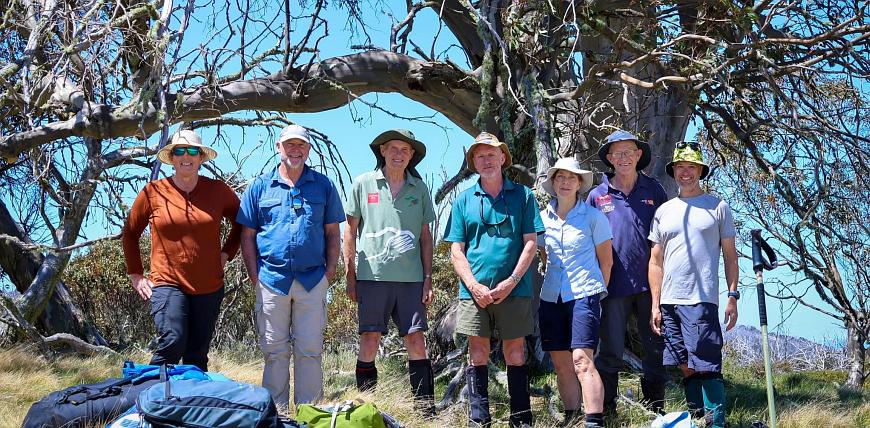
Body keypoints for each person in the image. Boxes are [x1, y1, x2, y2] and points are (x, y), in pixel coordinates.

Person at [236, 124, 344, 408]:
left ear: (308, 150)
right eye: (290, 145)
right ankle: (276, 415)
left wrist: (329, 273)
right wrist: (254, 274)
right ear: (278, 147)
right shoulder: (259, 186)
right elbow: (246, 235)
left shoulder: (323, 185)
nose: (295, 150)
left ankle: (310, 414)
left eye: (301, 145)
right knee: (274, 351)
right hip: (271, 280)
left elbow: (333, 232)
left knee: (310, 350)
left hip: (312, 280)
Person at [443, 132, 544, 428]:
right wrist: (473, 286)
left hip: (515, 290)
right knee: (478, 353)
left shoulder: (523, 196)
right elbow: (456, 249)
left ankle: (521, 419)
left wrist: (511, 281)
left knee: (515, 352)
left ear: (503, 158)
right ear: (474, 162)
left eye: (492, 154)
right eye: (480, 156)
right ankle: (479, 419)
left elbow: (531, 242)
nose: (486, 160)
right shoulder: (463, 200)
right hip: (474, 292)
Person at [122, 129, 241, 372]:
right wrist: (135, 274)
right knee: (173, 341)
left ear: (200, 158)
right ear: (172, 157)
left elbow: (242, 223)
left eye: (192, 151)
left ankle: (191, 406)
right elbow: (130, 233)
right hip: (167, 283)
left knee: (197, 355)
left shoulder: (218, 191)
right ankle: (147, 397)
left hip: (209, 286)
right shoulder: (152, 192)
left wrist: (227, 253)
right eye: (180, 151)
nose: (186, 156)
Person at [344, 129, 437, 415]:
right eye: (394, 149)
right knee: (370, 339)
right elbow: (350, 231)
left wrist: (428, 279)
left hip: (411, 280)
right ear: (382, 151)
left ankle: (425, 410)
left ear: (412, 156)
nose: (399, 155)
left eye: (405, 150)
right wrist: (350, 274)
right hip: (371, 278)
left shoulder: (419, 189)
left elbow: (425, 237)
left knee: (416, 340)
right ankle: (366, 408)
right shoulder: (363, 183)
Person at [648, 142, 739, 428]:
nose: (685, 172)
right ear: (674, 170)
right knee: (685, 366)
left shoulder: (717, 207)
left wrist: (733, 295)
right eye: (680, 167)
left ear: (700, 170)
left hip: (702, 299)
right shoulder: (664, 211)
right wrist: (655, 303)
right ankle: (697, 421)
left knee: (708, 365)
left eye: (691, 167)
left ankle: (716, 424)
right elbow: (655, 261)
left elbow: (730, 255)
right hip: (669, 302)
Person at [587, 130, 669, 418]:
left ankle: (655, 411)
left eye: (628, 152)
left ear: (638, 156)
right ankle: (608, 411)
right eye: (617, 153)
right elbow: (587, 241)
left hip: (650, 286)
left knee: (654, 347)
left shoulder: (655, 190)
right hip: (611, 286)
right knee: (609, 351)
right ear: (609, 159)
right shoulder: (596, 196)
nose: (623, 158)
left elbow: (666, 238)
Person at [538, 157, 613, 428]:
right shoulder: (542, 218)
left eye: (571, 178)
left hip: (584, 294)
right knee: (561, 363)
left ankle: (594, 421)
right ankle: (571, 418)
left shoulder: (593, 217)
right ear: (553, 182)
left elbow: (606, 261)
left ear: (580, 183)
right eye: (560, 177)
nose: (565, 182)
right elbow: (545, 255)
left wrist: (595, 293)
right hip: (551, 297)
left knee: (582, 359)